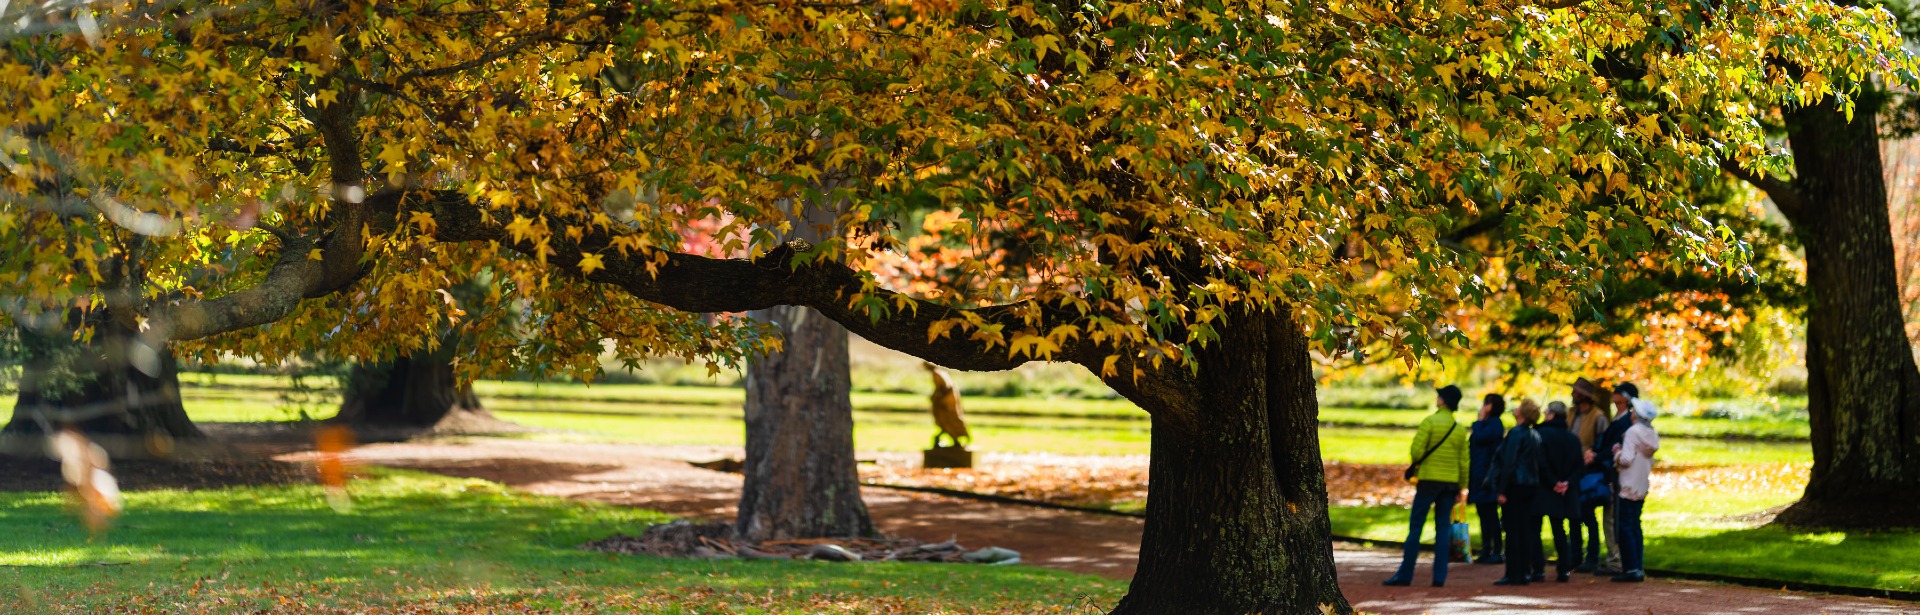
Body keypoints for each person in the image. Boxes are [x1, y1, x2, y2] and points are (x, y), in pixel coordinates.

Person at [1384, 385, 1471, 587]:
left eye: (1439, 396)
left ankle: (1405, 574)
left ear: (1443, 401)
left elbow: (1416, 452)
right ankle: (1439, 577)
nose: (1437, 398)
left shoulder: (1430, 422)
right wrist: (1462, 487)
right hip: (1449, 484)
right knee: (1443, 529)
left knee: (1416, 527)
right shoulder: (1458, 429)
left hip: (1428, 481)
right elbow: (1464, 462)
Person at [1484, 399, 1544, 586]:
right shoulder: (1534, 435)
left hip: (1515, 486)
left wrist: (1501, 490)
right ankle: (1525, 571)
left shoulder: (1516, 434)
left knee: (1512, 530)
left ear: (1522, 413)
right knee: (1525, 529)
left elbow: (1509, 462)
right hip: (1530, 486)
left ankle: (1513, 573)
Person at [1588, 382, 1639, 575]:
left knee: (1616, 518)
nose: (1613, 394)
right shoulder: (1619, 419)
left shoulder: (1627, 422)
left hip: (1619, 475)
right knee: (1611, 518)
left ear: (1625, 397)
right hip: (1610, 472)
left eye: (1617, 391)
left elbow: (1616, 447)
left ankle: (1618, 560)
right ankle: (1617, 558)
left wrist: (1596, 456)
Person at [1534, 402, 1589, 582]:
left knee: (1536, 529)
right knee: (1559, 529)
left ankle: (1538, 568)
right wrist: (1566, 483)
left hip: (1544, 489)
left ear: (1551, 415)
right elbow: (1579, 466)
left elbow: (1541, 464)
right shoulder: (1572, 438)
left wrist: (1553, 482)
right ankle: (1564, 567)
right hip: (1565, 490)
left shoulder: (1540, 434)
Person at [1612, 398, 1661, 583]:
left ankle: (1630, 568)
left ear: (1636, 415)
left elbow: (1625, 459)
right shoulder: (1652, 434)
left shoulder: (1633, 432)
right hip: (1641, 484)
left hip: (1628, 484)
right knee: (1635, 525)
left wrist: (1616, 453)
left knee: (1625, 526)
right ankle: (1637, 566)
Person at [1468, 393, 1507, 565]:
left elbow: (1481, 438)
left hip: (1487, 475)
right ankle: (1486, 548)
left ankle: (1496, 549)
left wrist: (1478, 421)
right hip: (1479, 473)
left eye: (1486, 404)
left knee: (1490, 514)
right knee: (1483, 513)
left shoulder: (1494, 424)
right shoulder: (1488, 424)